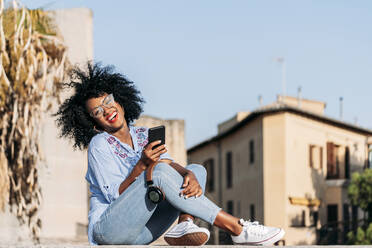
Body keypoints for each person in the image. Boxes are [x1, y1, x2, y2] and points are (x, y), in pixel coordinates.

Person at [55, 62, 285, 246]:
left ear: (120, 100)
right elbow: (116, 196)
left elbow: (168, 167)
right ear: (94, 124)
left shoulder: (144, 134)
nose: (107, 110)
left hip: (142, 232)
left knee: (196, 170)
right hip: (110, 230)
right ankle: (238, 228)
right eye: (97, 111)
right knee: (161, 171)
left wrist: (187, 173)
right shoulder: (100, 145)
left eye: (108, 101)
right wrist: (143, 165)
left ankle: (185, 223)